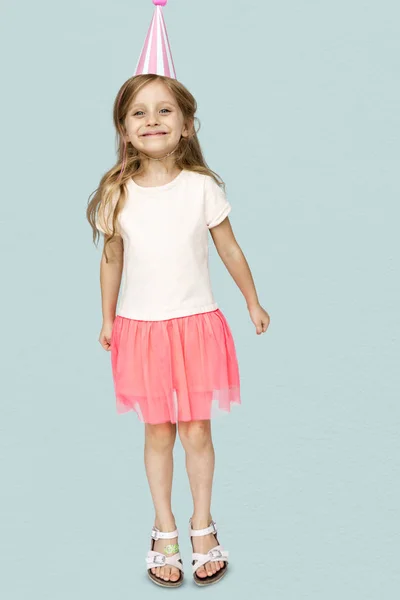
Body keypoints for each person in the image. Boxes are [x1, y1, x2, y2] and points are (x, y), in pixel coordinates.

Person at [86, 2, 270, 589]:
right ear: (124, 128)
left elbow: (230, 249)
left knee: (197, 429)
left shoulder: (201, 188)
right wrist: (108, 318)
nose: (152, 120)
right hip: (142, 328)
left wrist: (252, 300)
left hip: (195, 324)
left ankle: (202, 522)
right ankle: (163, 525)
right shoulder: (118, 194)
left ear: (187, 123)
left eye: (165, 110)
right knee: (158, 430)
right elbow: (111, 258)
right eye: (139, 112)